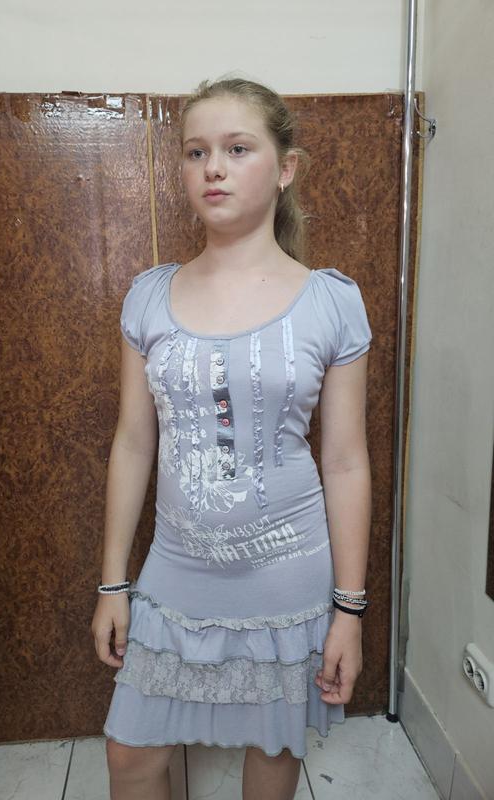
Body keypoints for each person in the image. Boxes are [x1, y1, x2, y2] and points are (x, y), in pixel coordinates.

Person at [91, 75, 372, 800]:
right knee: (129, 754)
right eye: (196, 152)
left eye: (237, 149)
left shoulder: (331, 302)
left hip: (288, 575)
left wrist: (348, 610)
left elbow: (345, 463)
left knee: (272, 752)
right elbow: (133, 442)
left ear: (285, 169)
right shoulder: (148, 296)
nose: (212, 167)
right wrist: (114, 582)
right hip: (177, 567)